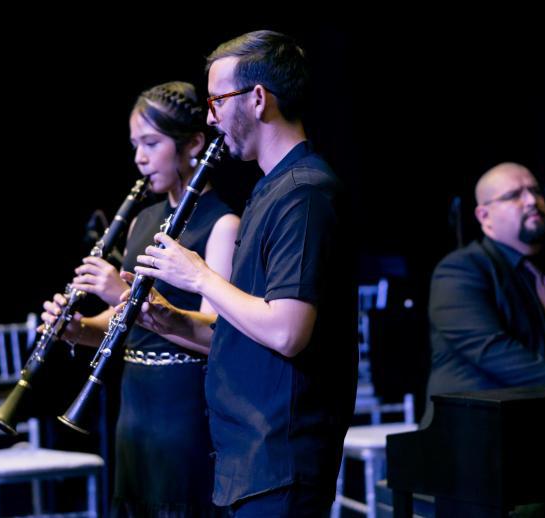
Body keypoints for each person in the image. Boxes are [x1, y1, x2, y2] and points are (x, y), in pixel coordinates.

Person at [121, 31, 358, 517]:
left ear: (257, 99)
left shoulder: (304, 192)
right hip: (248, 456)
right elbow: (252, 330)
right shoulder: (271, 190)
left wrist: (201, 276)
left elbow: (288, 332)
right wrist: (174, 322)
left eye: (216, 100)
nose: (210, 116)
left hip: (281, 456)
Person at [41, 81, 240, 517]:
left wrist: (121, 292)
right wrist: (77, 329)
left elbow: (217, 335)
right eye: (135, 145)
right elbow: (123, 322)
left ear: (193, 145)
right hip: (136, 408)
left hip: (185, 410)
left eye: (151, 143)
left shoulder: (222, 224)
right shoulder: (143, 220)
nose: (139, 157)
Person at [421, 162, 545, 426]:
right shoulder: (459, 271)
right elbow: (493, 351)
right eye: (514, 195)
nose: (532, 200)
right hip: (476, 430)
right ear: (484, 216)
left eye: (536, 191)